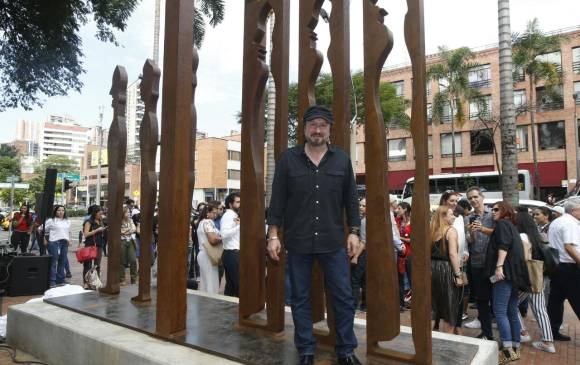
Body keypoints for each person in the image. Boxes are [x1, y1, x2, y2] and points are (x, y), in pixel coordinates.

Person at [266, 105, 361, 365]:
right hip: (297, 242)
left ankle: (346, 350)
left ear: (329, 130)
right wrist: (273, 235)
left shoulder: (341, 160)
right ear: (304, 129)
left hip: (333, 242)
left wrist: (354, 232)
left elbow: (351, 201)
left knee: (342, 296)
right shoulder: (288, 159)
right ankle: (305, 349)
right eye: (312, 125)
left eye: (322, 125)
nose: (317, 130)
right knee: (300, 298)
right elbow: (277, 202)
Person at [486, 201, 530, 364]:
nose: (493, 212)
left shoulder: (503, 224)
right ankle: (514, 347)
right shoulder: (511, 226)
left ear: (505, 211)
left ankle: (507, 349)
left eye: (496, 209)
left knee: (500, 310)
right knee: (511, 310)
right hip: (512, 276)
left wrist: (498, 267)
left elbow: (503, 246)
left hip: (504, 275)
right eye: (492, 209)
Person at [514, 210, 555, 353]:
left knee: (510, 303)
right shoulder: (537, 235)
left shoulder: (522, 236)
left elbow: (524, 259)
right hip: (539, 275)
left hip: (528, 278)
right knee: (540, 309)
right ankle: (547, 340)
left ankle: (523, 333)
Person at [547, 197, 580, 341]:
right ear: (574, 210)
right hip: (568, 267)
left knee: (556, 300)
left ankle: (552, 330)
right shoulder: (570, 223)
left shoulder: (556, 221)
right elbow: (569, 246)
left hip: (556, 266)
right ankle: (553, 330)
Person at [464, 187, 494, 339]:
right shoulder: (468, 217)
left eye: (475, 197)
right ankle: (487, 334)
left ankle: (511, 338)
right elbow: (471, 242)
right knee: (482, 301)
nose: (473, 200)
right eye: (470, 198)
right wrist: (471, 233)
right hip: (477, 263)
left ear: (482, 197)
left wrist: (482, 228)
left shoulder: (493, 214)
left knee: (498, 302)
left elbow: (500, 234)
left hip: (494, 264)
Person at [430, 206, 464, 333]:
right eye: (451, 214)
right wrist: (458, 274)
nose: (454, 216)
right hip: (445, 269)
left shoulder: (431, 230)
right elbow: (453, 255)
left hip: (431, 268)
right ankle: (447, 340)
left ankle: (429, 339)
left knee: (433, 306)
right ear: (443, 217)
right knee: (449, 306)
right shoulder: (450, 231)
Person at [439, 191, 469, 331]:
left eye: (456, 201)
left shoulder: (460, 218)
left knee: (458, 296)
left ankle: (457, 326)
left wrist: (465, 252)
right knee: (448, 300)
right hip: (446, 264)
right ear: (444, 201)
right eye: (452, 201)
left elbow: (463, 238)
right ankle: (448, 329)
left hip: (460, 262)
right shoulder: (438, 218)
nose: (455, 203)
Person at [196, 202, 222, 294]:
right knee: (211, 282)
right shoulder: (208, 222)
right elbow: (212, 239)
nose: (215, 215)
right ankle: (211, 304)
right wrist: (222, 238)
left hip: (203, 254)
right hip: (208, 254)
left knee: (205, 282)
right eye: (214, 212)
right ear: (207, 213)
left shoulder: (201, 223)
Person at [44, 205, 71, 287]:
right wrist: (44, 239)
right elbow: (41, 229)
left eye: (63, 210)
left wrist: (69, 239)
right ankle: (52, 281)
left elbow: (68, 231)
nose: (61, 212)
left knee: (62, 262)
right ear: (55, 211)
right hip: (54, 242)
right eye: (59, 210)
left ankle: (60, 280)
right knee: (53, 263)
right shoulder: (51, 221)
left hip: (64, 243)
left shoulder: (67, 221)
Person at [220, 192, 240, 297]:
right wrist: (239, 226)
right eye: (237, 202)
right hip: (232, 253)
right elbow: (224, 234)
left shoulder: (234, 215)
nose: (240, 204)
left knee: (231, 287)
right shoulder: (228, 216)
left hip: (232, 254)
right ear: (230, 204)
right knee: (238, 285)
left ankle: (228, 310)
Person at [81, 205, 106, 288]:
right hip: (90, 245)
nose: (101, 214)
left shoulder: (100, 221)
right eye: (99, 212)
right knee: (87, 265)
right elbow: (86, 234)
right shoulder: (89, 222)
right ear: (95, 213)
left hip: (99, 245)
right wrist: (97, 230)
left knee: (97, 265)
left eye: (101, 212)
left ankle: (96, 282)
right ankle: (86, 283)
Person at [351, 198, 367, 311]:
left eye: (363, 205)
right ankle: (364, 305)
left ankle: (354, 304)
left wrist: (356, 256)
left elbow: (363, 241)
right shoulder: (364, 219)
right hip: (366, 254)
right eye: (360, 205)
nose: (360, 207)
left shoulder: (364, 221)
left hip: (362, 254)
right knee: (364, 280)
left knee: (355, 280)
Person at [396, 202, 412, 311]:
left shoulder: (413, 222)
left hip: (410, 254)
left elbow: (413, 240)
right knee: (401, 279)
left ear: (405, 209)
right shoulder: (398, 221)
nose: (397, 210)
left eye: (399, 208)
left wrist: (399, 238)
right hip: (400, 254)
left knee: (411, 278)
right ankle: (402, 302)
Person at [119, 206, 138, 285]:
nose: (129, 214)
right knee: (122, 261)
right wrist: (128, 230)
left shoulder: (131, 220)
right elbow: (120, 231)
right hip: (122, 241)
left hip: (130, 241)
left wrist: (125, 231)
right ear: (123, 213)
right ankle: (122, 279)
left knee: (133, 260)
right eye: (127, 212)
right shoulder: (119, 221)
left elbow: (134, 229)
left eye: (129, 212)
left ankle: (134, 279)